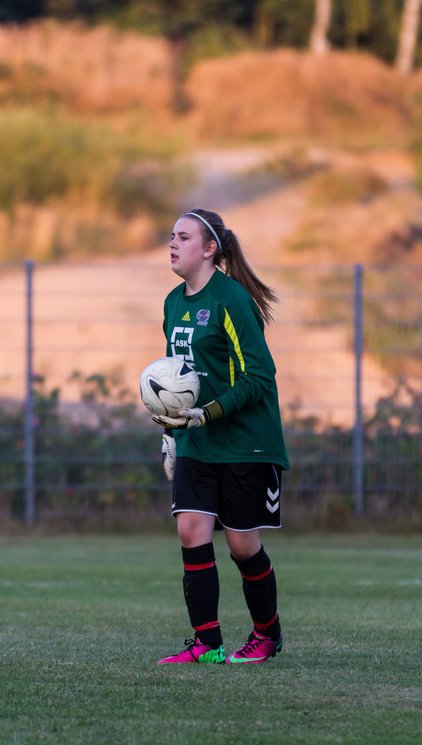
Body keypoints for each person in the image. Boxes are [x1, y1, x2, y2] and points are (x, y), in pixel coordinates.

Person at [152, 208, 289, 665]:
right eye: (171, 236)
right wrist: (171, 431)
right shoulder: (173, 303)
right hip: (197, 438)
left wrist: (207, 413)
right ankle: (206, 644)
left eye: (184, 237)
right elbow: (178, 378)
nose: (173, 243)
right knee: (191, 531)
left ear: (210, 249)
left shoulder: (232, 300)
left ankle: (267, 635)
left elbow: (259, 377)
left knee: (241, 544)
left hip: (246, 440)